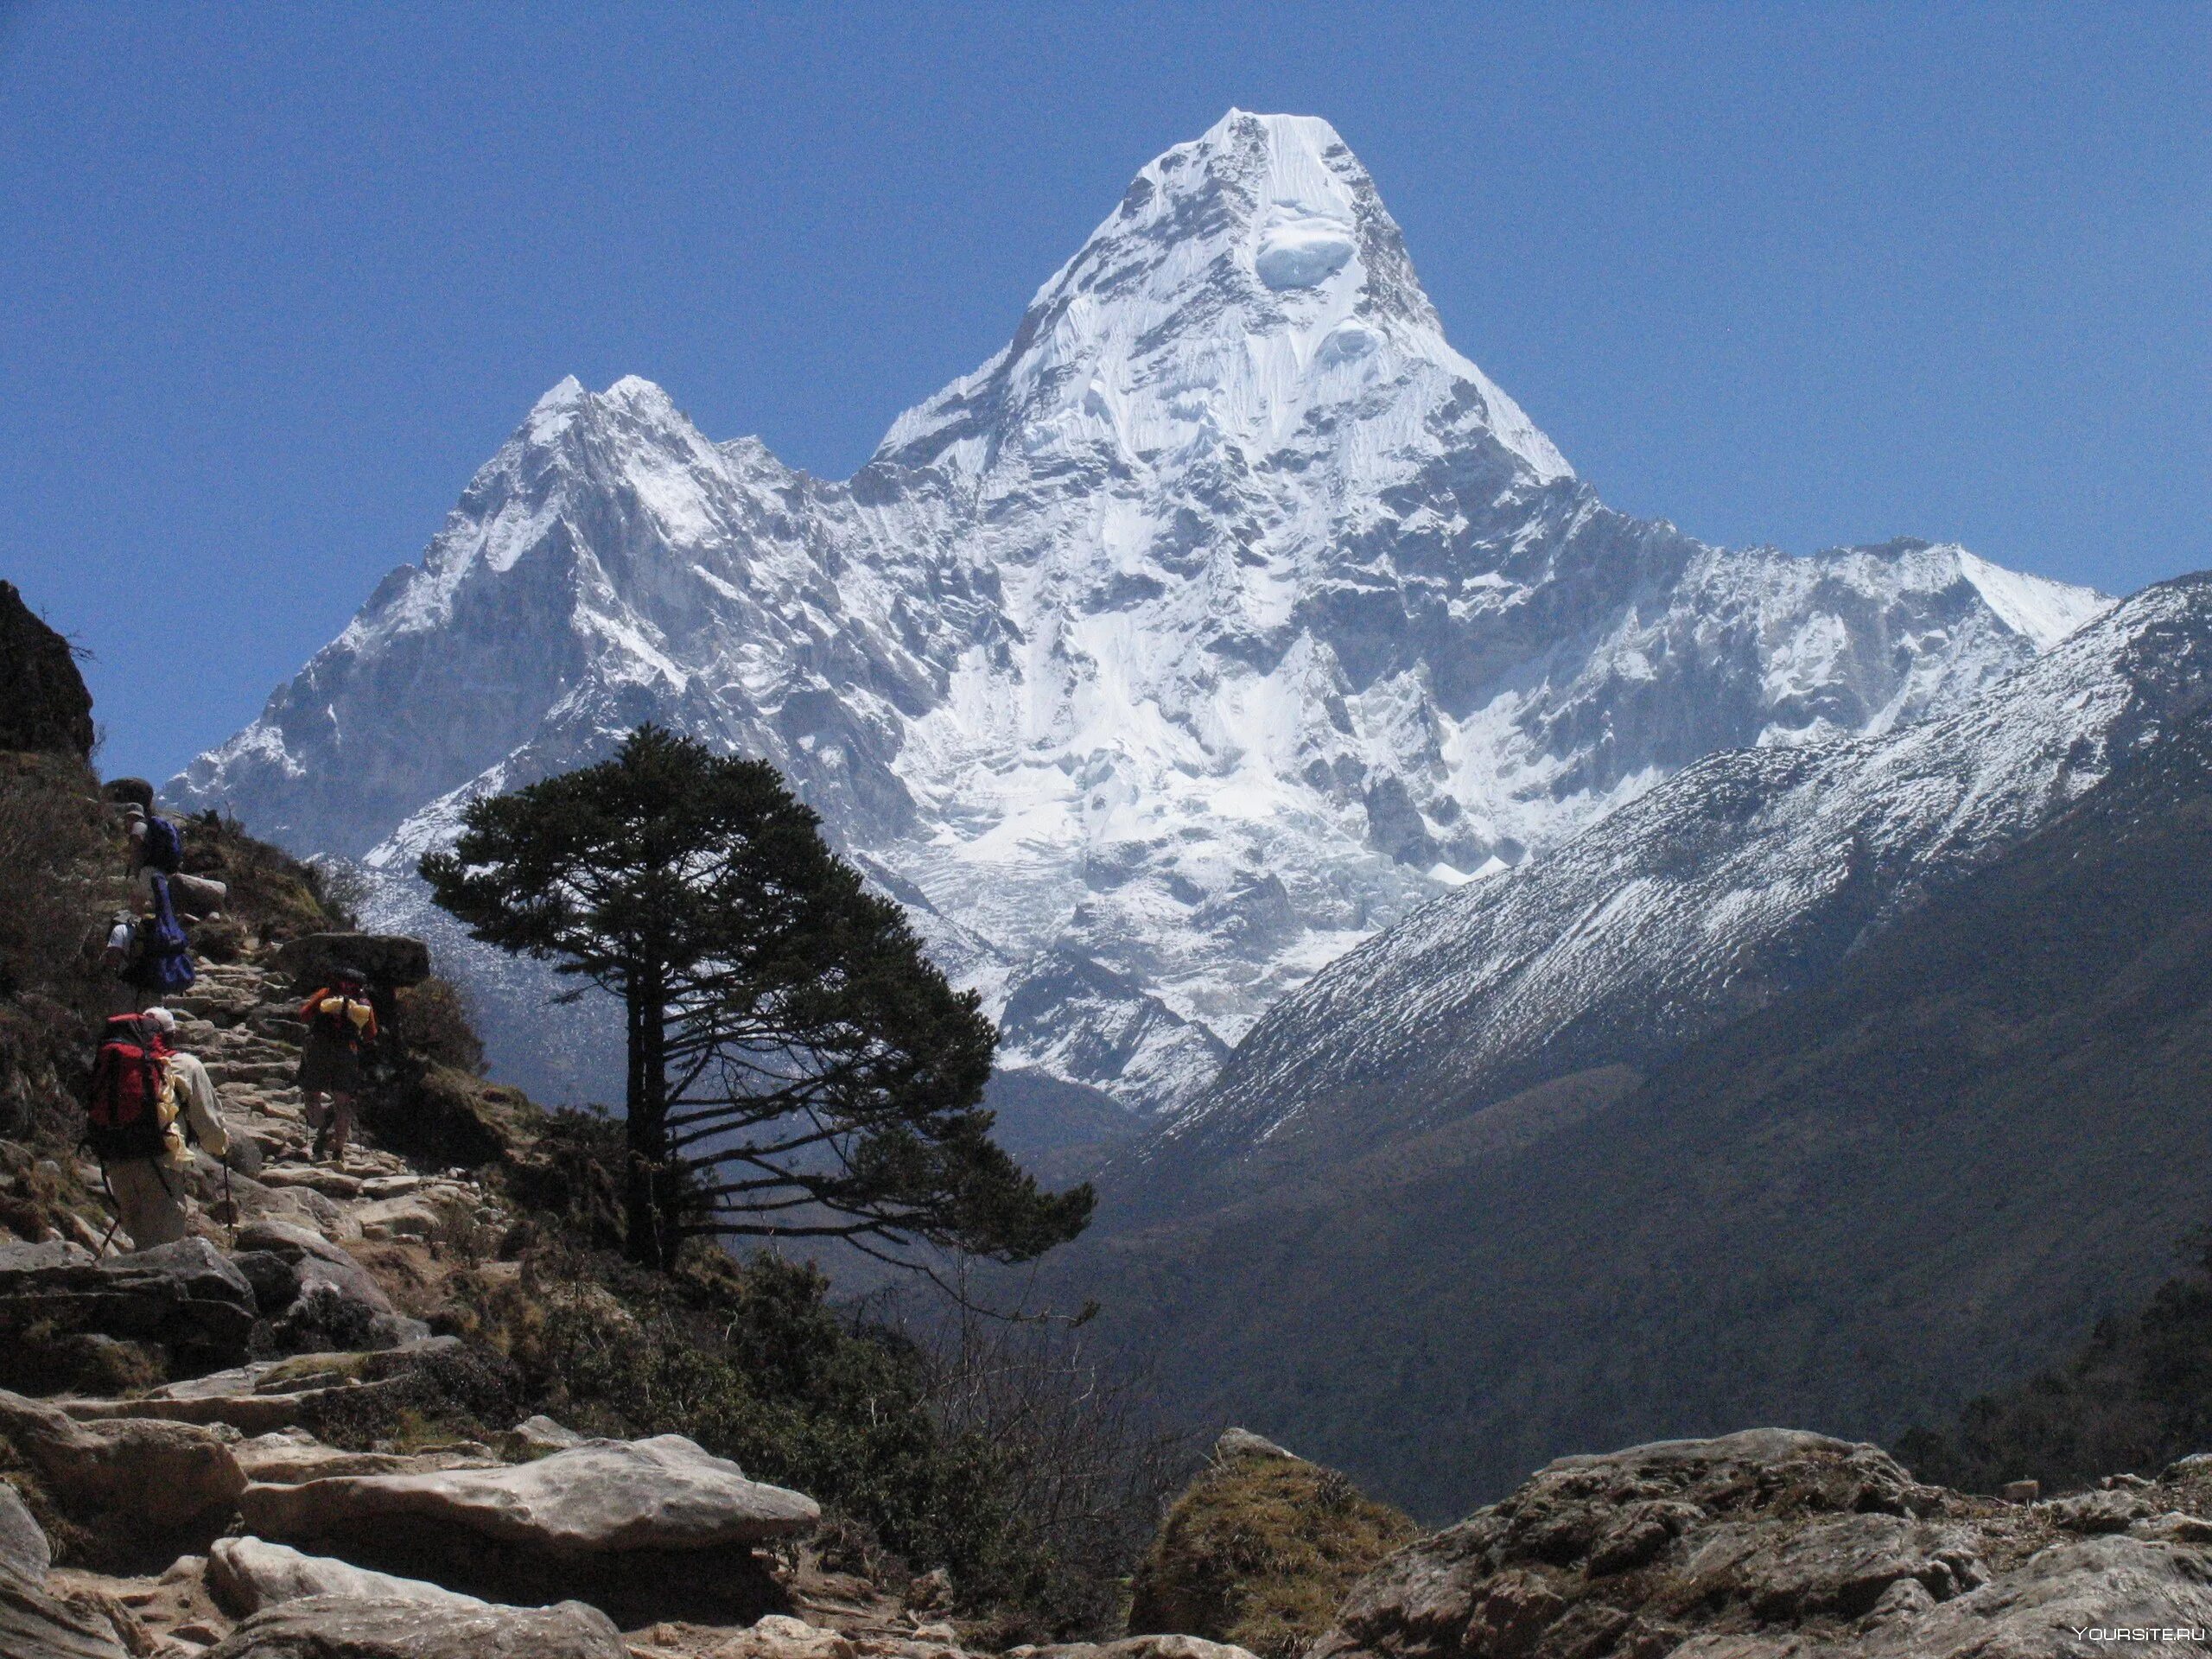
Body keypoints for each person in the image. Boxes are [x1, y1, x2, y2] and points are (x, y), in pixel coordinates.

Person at [93, 1007, 231, 1251]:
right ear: (170, 1035)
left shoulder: (117, 1059)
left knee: (137, 1234)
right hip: (160, 1162)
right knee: (165, 1244)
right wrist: (221, 1147)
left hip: (117, 1156)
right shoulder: (185, 1065)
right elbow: (208, 1121)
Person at [298, 975, 377, 1164]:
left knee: (312, 1095)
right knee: (344, 1102)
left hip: (319, 1047)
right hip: (348, 1051)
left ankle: (321, 1124)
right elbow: (370, 1034)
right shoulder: (363, 1002)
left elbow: (305, 1014)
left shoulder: (326, 993)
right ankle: (338, 1150)